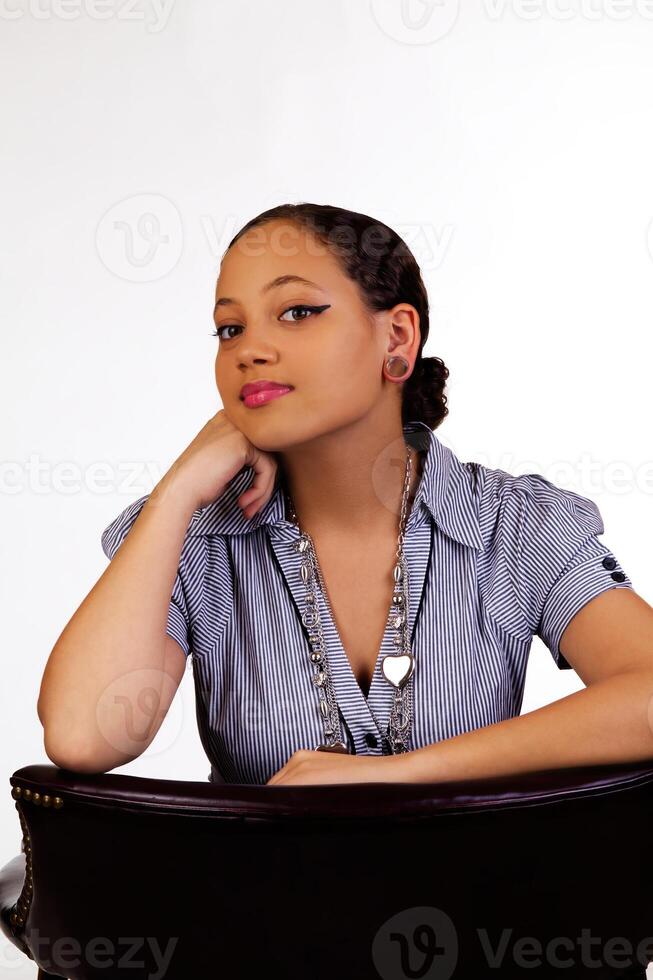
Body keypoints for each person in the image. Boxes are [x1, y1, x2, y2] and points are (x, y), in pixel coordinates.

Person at [37, 203, 651, 797]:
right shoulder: (198, 538)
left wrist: (402, 775)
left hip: (475, 896)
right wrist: (178, 488)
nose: (250, 350)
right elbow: (83, 737)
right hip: (260, 898)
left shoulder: (512, 523)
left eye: (298, 312)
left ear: (398, 337)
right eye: (230, 328)